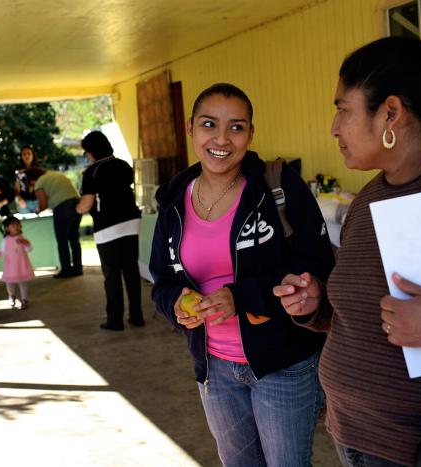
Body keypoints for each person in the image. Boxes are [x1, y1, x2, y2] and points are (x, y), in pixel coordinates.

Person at [274, 36, 421, 467]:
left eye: (343, 109)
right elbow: (361, 316)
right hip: (354, 437)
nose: (333, 127)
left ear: (390, 112)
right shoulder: (368, 201)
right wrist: (316, 304)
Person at [149, 83, 335, 466]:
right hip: (214, 366)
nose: (221, 139)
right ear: (190, 128)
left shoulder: (277, 187)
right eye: (208, 125)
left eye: (236, 127)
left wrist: (243, 296)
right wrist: (177, 304)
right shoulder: (173, 200)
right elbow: (162, 281)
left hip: (283, 362)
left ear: (250, 133)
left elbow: (316, 268)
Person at [77, 131, 144, 331]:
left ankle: (115, 320)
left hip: (107, 227)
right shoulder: (124, 165)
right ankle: (136, 316)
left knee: (112, 273)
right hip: (131, 222)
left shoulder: (92, 172)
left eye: (87, 152)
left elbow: (87, 203)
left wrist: (78, 208)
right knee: (131, 270)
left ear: (91, 152)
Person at [34, 168, 83, 278]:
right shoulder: (54, 174)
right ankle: (78, 268)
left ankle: (66, 270)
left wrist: (37, 211)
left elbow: (43, 205)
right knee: (74, 238)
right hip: (77, 203)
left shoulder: (39, 182)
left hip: (62, 207)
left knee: (62, 240)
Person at [0, 216, 34, 310]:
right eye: (13, 225)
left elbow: (29, 248)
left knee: (22, 283)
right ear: (7, 228)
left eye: (18, 225)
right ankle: (12, 296)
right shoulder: (5, 240)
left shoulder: (22, 238)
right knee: (10, 283)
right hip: (10, 266)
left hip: (21, 265)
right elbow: (2, 251)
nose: (17, 227)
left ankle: (24, 300)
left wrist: (26, 242)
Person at [15, 146, 40, 213]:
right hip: (24, 204)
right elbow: (17, 190)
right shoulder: (18, 172)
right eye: (24, 154)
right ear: (21, 156)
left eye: (29, 153)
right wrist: (19, 199)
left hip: (38, 202)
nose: (27, 156)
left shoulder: (39, 170)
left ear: (33, 155)